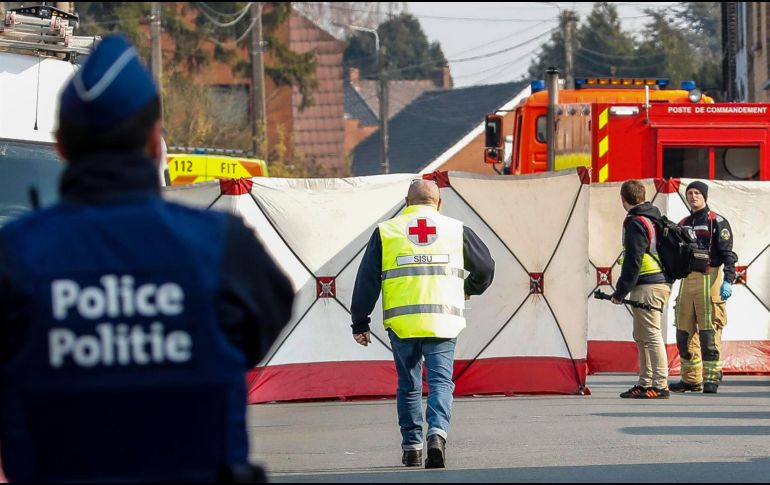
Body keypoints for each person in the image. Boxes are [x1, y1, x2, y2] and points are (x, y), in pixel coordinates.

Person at [0, 35, 294, 482]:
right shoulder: (224, 248)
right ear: (156, 143)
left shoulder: (14, 256)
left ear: (61, 146)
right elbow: (261, 329)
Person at [351, 179, 494, 469]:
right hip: (443, 321)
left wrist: (360, 322)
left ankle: (412, 447)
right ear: (439, 203)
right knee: (441, 381)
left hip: (402, 323)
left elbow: (367, 280)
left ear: (406, 202)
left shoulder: (386, 231)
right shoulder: (456, 229)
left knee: (409, 385)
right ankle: (437, 435)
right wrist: (469, 288)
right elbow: (486, 267)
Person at [670, 181, 737, 394]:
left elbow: (728, 254)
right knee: (683, 334)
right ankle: (691, 379)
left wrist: (728, 280)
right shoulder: (683, 223)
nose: (693, 196)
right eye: (690, 193)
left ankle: (711, 378)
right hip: (687, 280)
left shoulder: (717, 221)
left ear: (705, 196)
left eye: (697, 192)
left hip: (711, 278)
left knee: (709, 334)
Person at [612, 180, 673, 399]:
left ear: (623, 199)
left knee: (652, 335)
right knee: (641, 336)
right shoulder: (652, 217)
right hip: (655, 283)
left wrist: (620, 291)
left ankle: (660, 384)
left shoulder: (636, 222)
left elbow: (633, 260)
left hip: (649, 284)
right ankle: (645, 383)